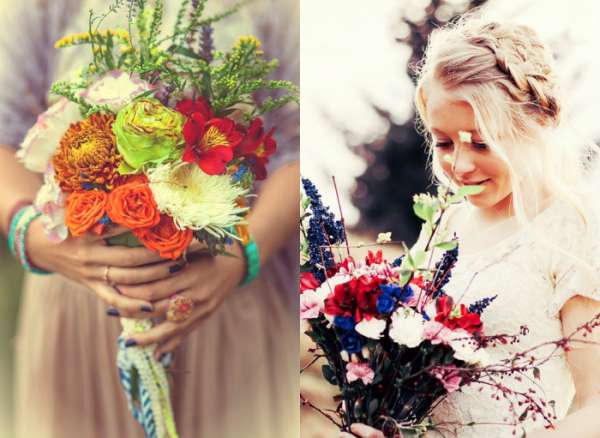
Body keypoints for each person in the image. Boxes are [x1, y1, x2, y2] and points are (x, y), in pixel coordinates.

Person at [0, 0, 299, 437]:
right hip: (80, 305)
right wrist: (35, 238)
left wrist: (242, 254)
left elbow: (296, 145)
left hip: (226, 300)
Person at [341, 16, 600, 438]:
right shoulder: (446, 222)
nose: (458, 166)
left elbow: (597, 406)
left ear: (534, 125)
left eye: (482, 143)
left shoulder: (575, 229)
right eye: (443, 142)